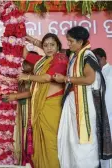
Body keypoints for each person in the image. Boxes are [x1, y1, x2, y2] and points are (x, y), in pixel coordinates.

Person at [53, 26, 112, 168]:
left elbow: (89, 79)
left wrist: (65, 79)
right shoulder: (75, 55)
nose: (69, 44)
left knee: (84, 141)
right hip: (74, 102)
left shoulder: (87, 56)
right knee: (72, 141)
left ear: (80, 41)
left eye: (71, 41)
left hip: (85, 106)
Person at [13, 33, 68, 168]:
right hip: (40, 105)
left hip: (52, 105)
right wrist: (19, 37)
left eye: (52, 45)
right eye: (46, 45)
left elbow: (47, 78)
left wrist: (28, 77)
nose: (49, 48)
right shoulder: (42, 60)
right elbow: (24, 54)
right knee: (40, 143)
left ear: (58, 46)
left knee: (50, 142)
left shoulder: (60, 58)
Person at [92, 48, 112, 168]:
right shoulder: (95, 74)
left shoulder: (110, 72)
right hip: (100, 117)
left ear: (104, 58)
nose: (95, 63)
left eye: (97, 60)